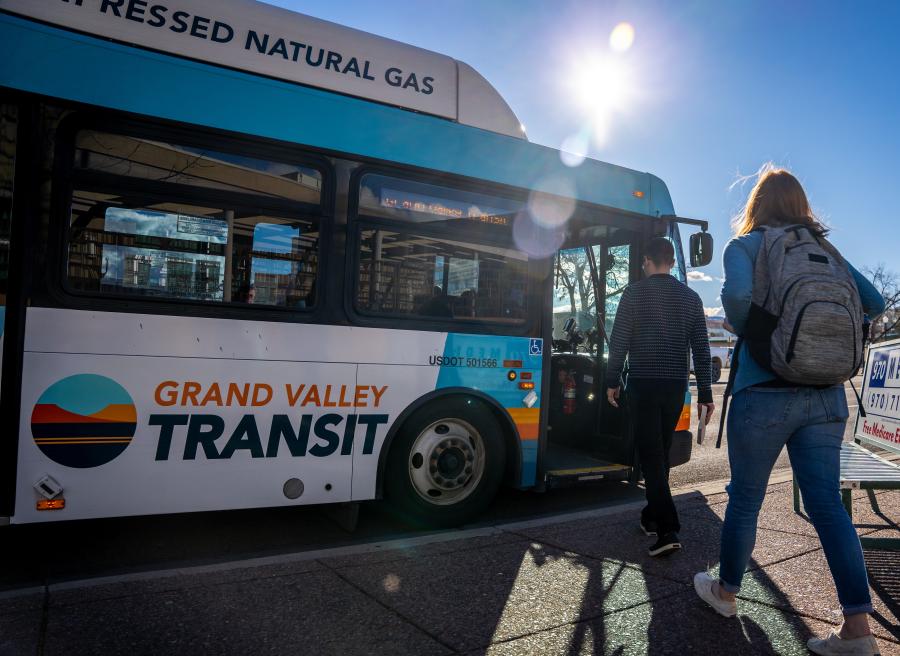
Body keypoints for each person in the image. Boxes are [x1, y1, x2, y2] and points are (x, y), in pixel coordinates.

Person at [692, 165, 886, 656]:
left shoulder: (747, 246)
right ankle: (859, 631)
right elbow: (875, 300)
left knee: (746, 499)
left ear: (757, 204)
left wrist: (764, 337)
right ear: (802, 205)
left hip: (764, 391)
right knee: (828, 508)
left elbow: (736, 296)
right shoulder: (829, 252)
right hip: (825, 395)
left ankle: (727, 593)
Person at [606, 236, 714, 556]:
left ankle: (668, 530)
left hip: (643, 383)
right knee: (661, 453)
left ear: (648, 261)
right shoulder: (691, 298)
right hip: (674, 387)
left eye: (643, 262)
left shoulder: (634, 293)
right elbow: (702, 351)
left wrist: (612, 380)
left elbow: (619, 342)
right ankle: (651, 516)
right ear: (671, 261)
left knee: (651, 456)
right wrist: (706, 393)